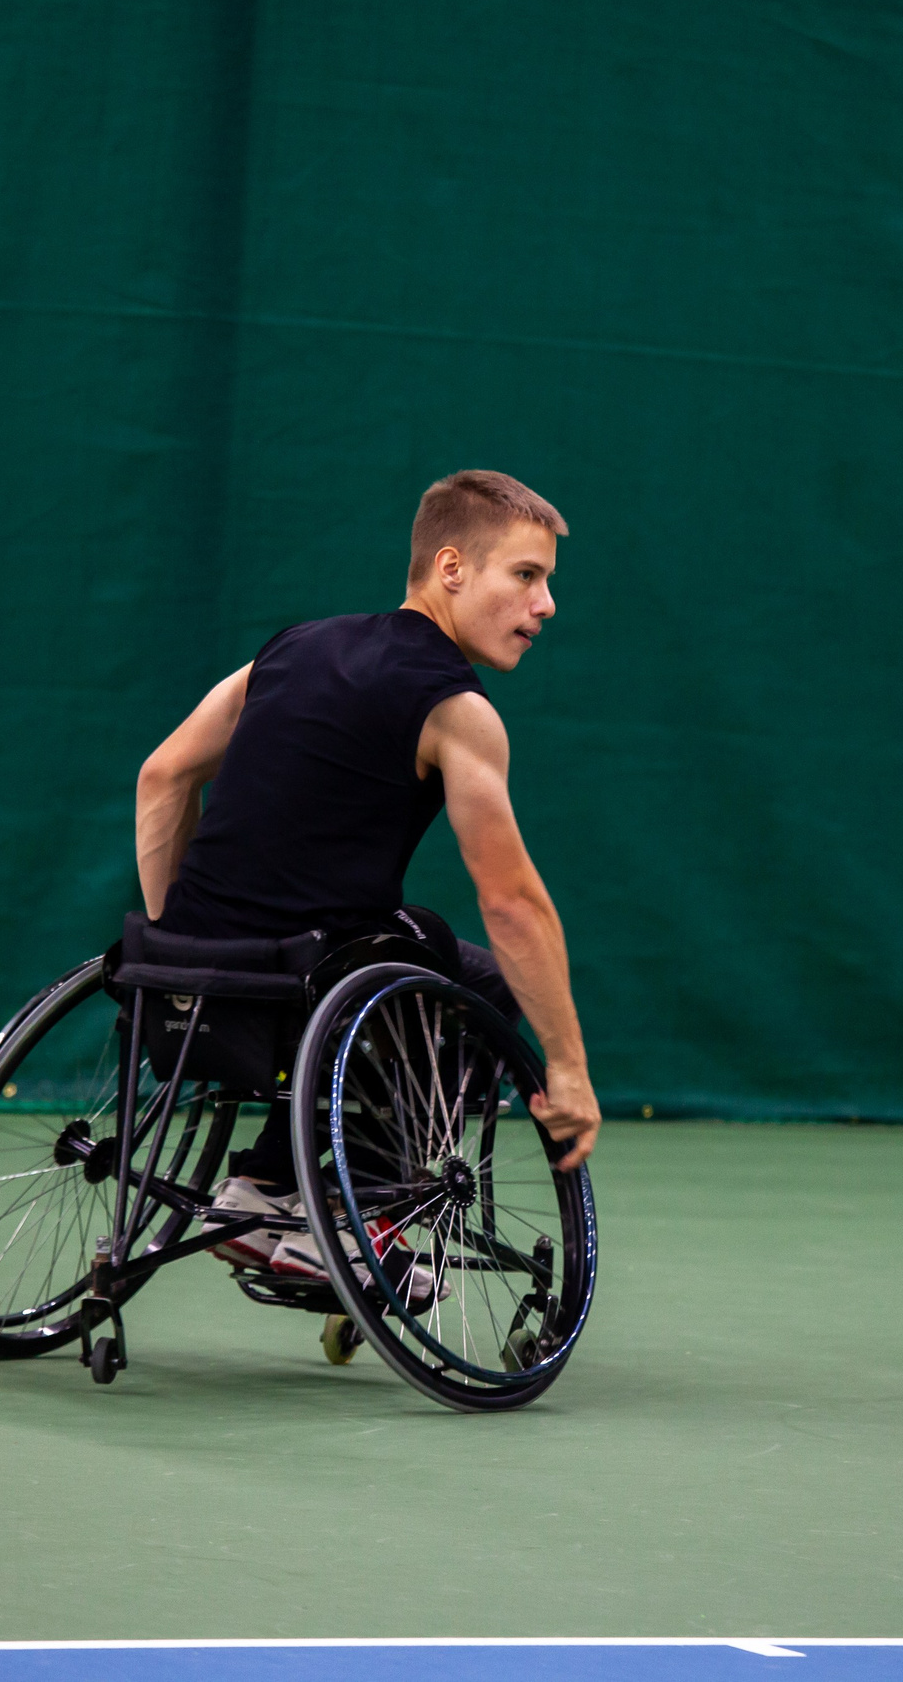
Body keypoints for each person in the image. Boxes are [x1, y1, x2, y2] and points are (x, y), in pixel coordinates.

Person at [131, 469, 601, 1282]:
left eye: (547, 582)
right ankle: (349, 1226)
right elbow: (512, 901)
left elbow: (163, 777)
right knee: (464, 971)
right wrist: (567, 1069)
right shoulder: (459, 711)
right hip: (308, 984)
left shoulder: (286, 649)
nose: (546, 603)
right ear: (451, 568)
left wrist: (183, 944)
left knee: (384, 948)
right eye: (527, 575)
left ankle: (266, 1187)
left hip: (179, 983)